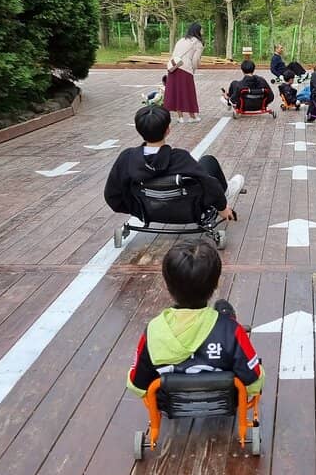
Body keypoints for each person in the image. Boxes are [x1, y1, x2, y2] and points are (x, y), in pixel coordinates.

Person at [126, 239, 264, 400]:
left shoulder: (153, 331)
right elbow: (254, 382)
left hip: (173, 405)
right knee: (223, 309)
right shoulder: (231, 330)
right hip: (223, 402)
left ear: (166, 285)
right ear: (217, 283)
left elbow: (136, 386)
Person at [104, 105, 243, 222]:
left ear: (139, 130)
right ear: (167, 130)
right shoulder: (180, 157)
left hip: (146, 210)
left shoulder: (127, 157)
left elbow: (112, 194)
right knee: (208, 162)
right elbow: (208, 184)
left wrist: (136, 209)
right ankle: (227, 190)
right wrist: (222, 208)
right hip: (187, 211)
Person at [165, 23, 204, 124]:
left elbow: (174, 54)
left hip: (173, 67)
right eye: (201, 29)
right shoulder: (198, 43)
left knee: (177, 92)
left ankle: (180, 117)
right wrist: (193, 70)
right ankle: (192, 117)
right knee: (189, 92)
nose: (203, 31)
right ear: (197, 31)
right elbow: (195, 60)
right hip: (186, 69)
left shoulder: (181, 40)